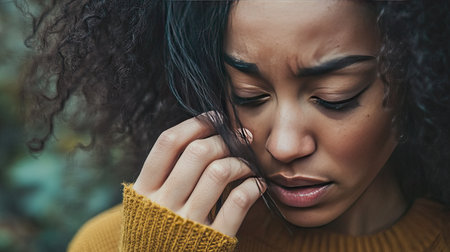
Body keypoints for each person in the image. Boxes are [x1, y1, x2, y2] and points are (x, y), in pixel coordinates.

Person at [21, 0, 450, 251]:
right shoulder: (117, 242)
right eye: (248, 96)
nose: (283, 146)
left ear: (422, 76)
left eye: (336, 97)